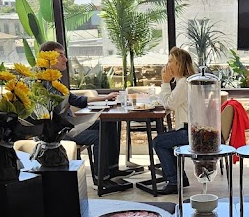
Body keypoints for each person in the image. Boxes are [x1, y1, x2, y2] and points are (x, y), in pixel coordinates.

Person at [38, 41, 132, 192]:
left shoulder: (54, 80)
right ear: (47, 57)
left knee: (109, 122)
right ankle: (101, 180)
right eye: (60, 55)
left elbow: (76, 100)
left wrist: (105, 97)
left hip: (71, 124)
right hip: (59, 132)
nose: (65, 59)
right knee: (99, 136)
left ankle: (112, 168)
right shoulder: (42, 84)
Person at [152, 47, 197, 195]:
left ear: (179, 64)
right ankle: (180, 178)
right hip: (192, 130)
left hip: (189, 132)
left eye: (171, 61)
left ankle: (174, 181)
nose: (167, 64)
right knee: (165, 140)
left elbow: (168, 104)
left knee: (158, 142)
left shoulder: (184, 83)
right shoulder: (184, 81)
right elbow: (171, 103)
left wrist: (165, 82)